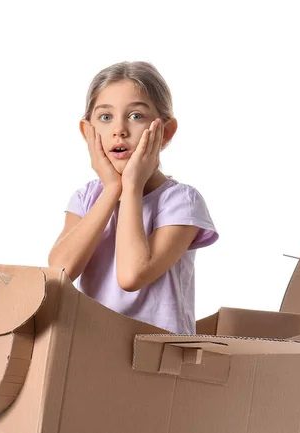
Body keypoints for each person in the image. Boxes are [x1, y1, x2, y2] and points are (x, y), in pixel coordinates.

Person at [48, 61, 218, 334]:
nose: (120, 130)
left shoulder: (181, 202)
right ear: (87, 131)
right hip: (93, 349)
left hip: (160, 357)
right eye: (105, 117)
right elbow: (60, 270)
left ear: (165, 131)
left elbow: (131, 275)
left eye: (136, 116)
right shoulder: (86, 198)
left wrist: (132, 186)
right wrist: (112, 189)